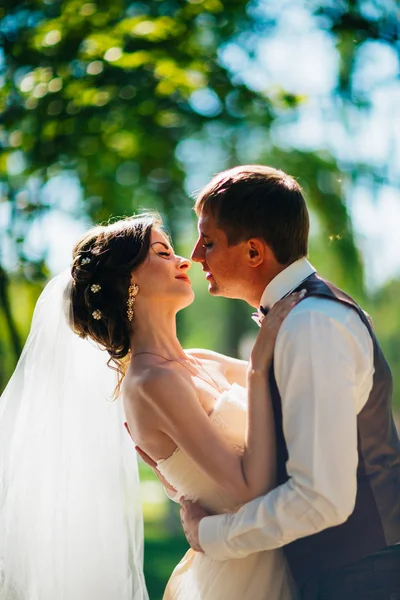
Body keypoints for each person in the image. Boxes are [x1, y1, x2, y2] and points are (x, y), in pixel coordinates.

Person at [0, 213, 302, 600]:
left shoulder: (200, 359)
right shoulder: (149, 381)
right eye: (162, 253)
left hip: (283, 544)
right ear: (129, 282)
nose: (184, 261)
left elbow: (291, 393)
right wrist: (262, 363)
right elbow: (249, 486)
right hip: (249, 575)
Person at [180, 164, 400, 600]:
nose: (195, 256)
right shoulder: (299, 317)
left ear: (255, 252)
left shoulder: (311, 324)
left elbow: (321, 499)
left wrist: (211, 535)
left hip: (363, 579)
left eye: (208, 241)